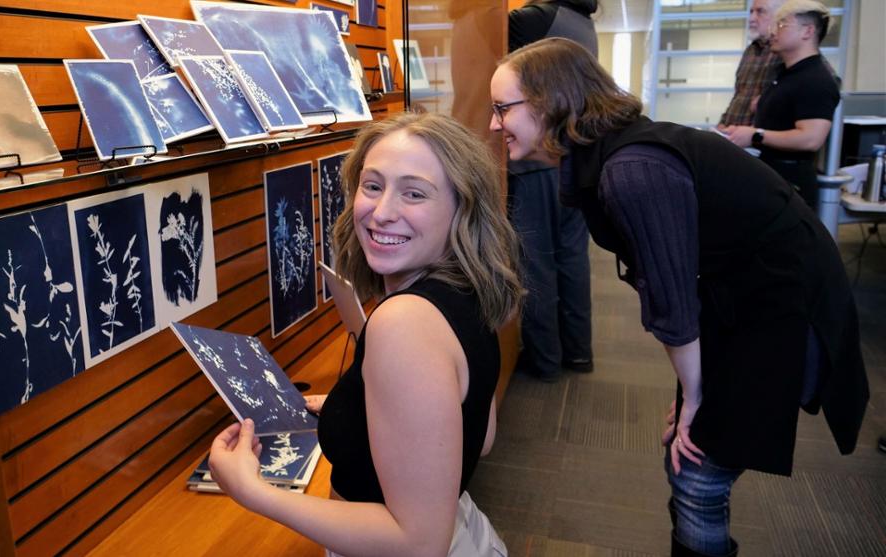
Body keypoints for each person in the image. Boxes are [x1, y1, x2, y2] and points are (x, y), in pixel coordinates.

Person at [491, 38, 868, 556]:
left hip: (782, 305)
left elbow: (671, 303)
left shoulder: (630, 171)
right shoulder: (616, 153)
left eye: (501, 108)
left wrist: (693, 396)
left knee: (698, 473)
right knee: (693, 460)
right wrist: (692, 389)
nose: (494, 125)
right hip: (744, 297)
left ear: (550, 99)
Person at [207, 112, 525, 557]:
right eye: (372, 186)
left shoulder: (404, 322)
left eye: (414, 194)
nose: (382, 211)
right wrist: (359, 405)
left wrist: (253, 491)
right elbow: (480, 435)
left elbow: (418, 543)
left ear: (462, 209)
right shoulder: (466, 291)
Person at [506, 0, 598, 381]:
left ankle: (544, 359)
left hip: (535, 161)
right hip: (572, 156)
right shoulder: (583, 22)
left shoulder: (536, 17)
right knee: (572, 257)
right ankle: (578, 352)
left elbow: (478, 22)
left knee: (536, 263)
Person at [724, 0, 839, 210]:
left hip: (790, 183)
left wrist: (755, 135)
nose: (774, 31)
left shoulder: (816, 79)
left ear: (808, 31)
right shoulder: (786, 75)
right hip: (770, 175)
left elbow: (811, 138)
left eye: (782, 25)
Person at [716, 0, 786, 129]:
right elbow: (739, 95)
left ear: (780, 17)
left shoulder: (787, 52)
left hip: (760, 142)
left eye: (760, 12)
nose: (751, 19)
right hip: (733, 137)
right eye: (751, 12)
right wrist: (723, 123)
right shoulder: (751, 51)